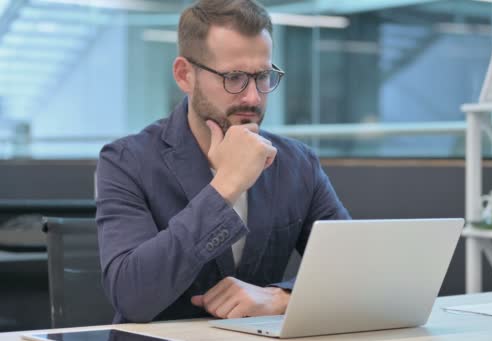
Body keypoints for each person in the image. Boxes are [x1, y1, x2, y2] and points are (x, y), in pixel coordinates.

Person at [95, 0, 350, 324]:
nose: (253, 97)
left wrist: (282, 297)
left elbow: (353, 271)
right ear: (185, 75)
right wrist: (226, 186)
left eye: (262, 76)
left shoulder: (297, 164)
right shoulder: (127, 161)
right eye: (234, 77)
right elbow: (132, 297)